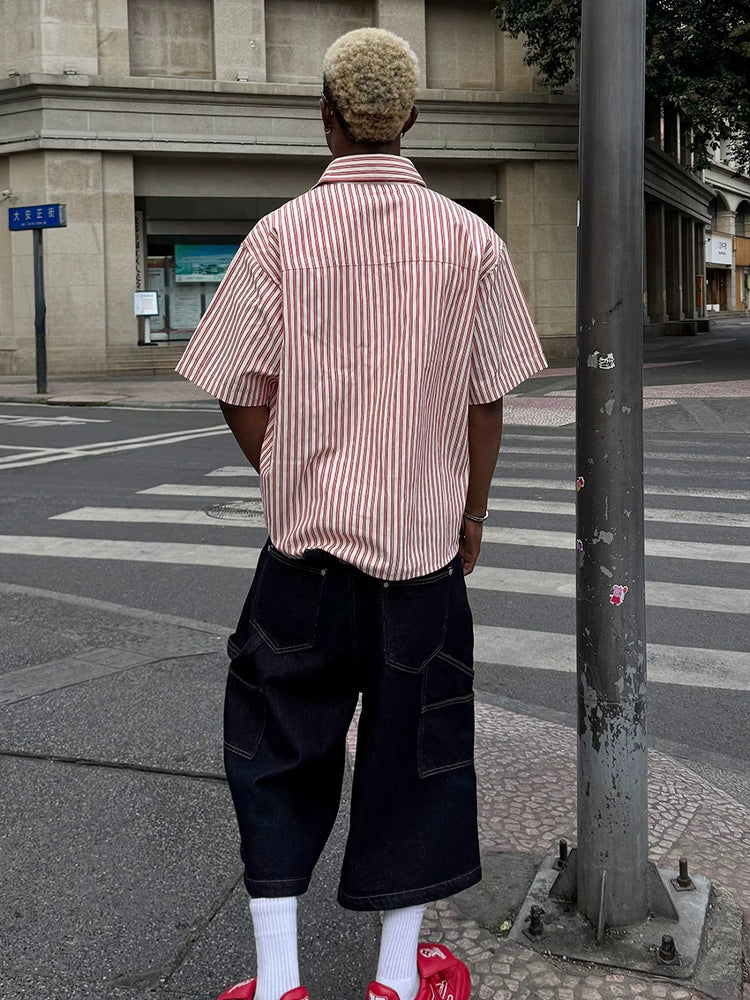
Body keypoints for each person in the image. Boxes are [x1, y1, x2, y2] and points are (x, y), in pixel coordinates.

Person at [176, 26, 547, 1000]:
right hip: (422, 559)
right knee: (418, 757)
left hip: (303, 565)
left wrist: (284, 469)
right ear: (411, 117)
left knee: (273, 752)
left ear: (326, 118)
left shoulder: (280, 237)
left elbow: (235, 384)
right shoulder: (470, 241)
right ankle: (395, 980)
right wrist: (471, 516)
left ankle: (278, 983)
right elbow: (487, 399)